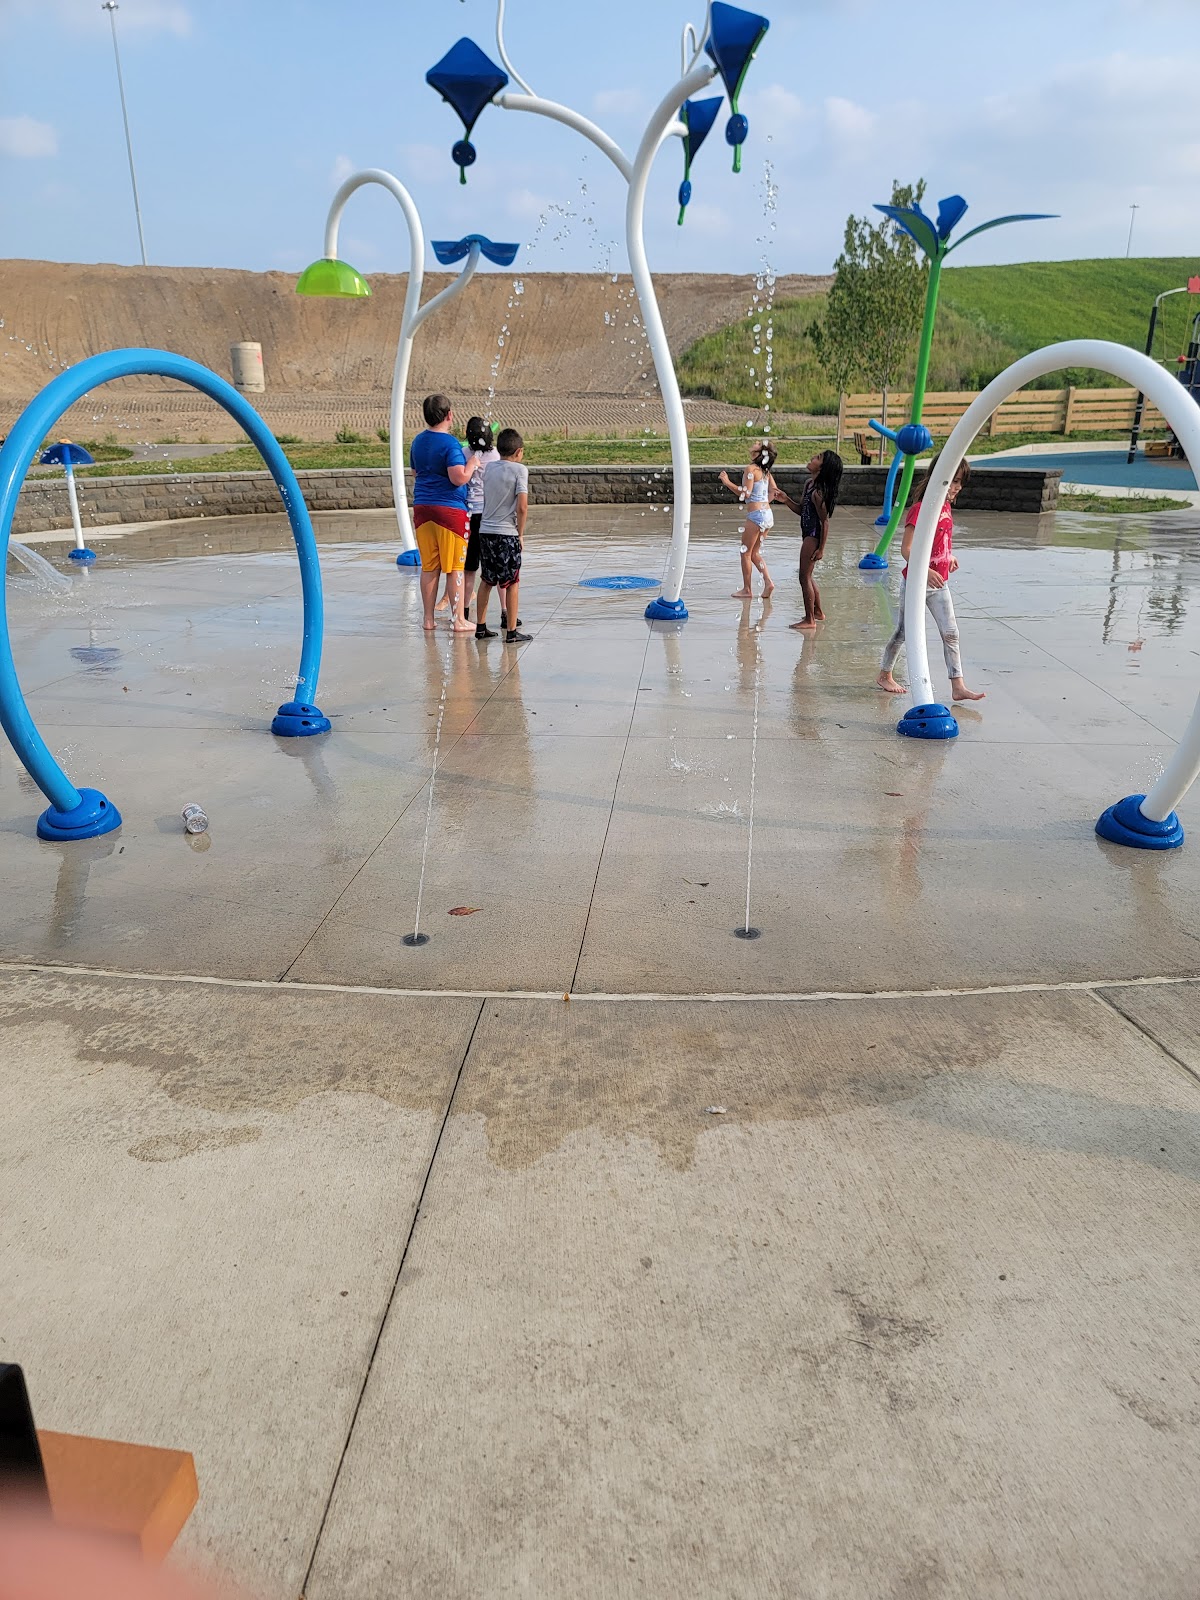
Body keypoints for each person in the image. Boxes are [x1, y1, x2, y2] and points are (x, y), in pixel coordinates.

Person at [876, 456, 985, 702]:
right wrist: (925, 571)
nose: (957, 487)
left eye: (961, 483)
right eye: (954, 481)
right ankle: (885, 674)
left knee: (951, 633)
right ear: (940, 478)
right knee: (904, 631)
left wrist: (948, 557)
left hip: (939, 583)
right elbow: (907, 549)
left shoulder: (945, 507)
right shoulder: (922, 508)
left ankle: (957, 685)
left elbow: (938, 543)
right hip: (916, 584)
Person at [409, 393, 480, 634]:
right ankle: (458, 619)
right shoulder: (450, 444)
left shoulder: (417, 441)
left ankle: (428, 619)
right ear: (450, 415)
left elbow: (416, 473)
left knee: (430, 566)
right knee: (454, 567)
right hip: (449, 511)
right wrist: (472, 465)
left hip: (422, 508)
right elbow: (457, 477)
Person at [773, 448, 843, 631]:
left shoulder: (818, 493)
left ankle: (810, 620)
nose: (812, 457)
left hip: (813, 537)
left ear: (823, 468)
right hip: (807, 534)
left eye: (817, 458)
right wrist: (786, 499)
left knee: (804, 577)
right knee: (808, 576)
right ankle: (818, 612)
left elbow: (824, 522)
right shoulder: (808, 485)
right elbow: (801, 511)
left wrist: (821, 548)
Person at [474, 428, 532, 644]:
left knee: (487, 580)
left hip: (485, 531)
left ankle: (480, 627)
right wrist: (520, 534)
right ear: (519, 451)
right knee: (512, 581)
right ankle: (511, 631)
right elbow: (522, 507)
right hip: (506, 533)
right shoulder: (520, 470)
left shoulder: (489, 469)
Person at [720, 440, 777, 599]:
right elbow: (775, 492)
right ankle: (768, 582)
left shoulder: (751, 469)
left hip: (757, 515)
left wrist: (727, 482)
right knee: (754, 553)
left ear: (759, 453)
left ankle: (747, 589)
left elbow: (745, 493)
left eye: (759, 444)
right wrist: (764, 504)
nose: (756, 442)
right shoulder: (766, 472)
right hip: (767, 515)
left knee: (745, 553)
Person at [463, 415, 499, 618]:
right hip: (490, 515)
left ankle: (465, 612)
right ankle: (505, 613)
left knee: (469, 569)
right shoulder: (495, 455)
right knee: (493, 567)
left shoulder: (463, 453)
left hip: (470, 515)